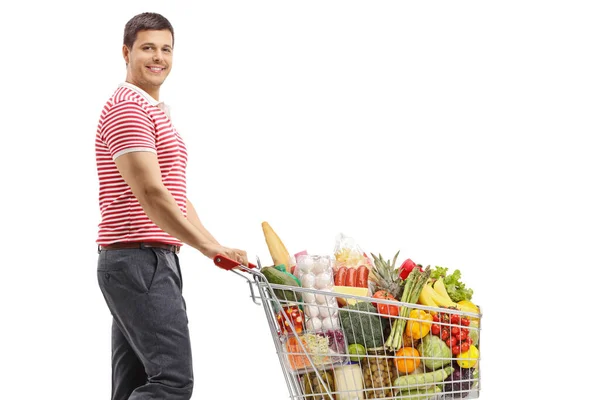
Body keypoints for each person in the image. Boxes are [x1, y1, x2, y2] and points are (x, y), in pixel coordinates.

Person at [95, 12, 248, 400]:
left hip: (144, 261)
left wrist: (215, 245)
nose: (158, 57)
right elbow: (151, 193)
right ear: (126, 53)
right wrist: (206, 248)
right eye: (147, 47)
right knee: (172, 382)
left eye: (166, 49)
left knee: (135, 384)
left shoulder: (152, 112)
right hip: (139, 262)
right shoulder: (129, 109)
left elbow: (175, 196)